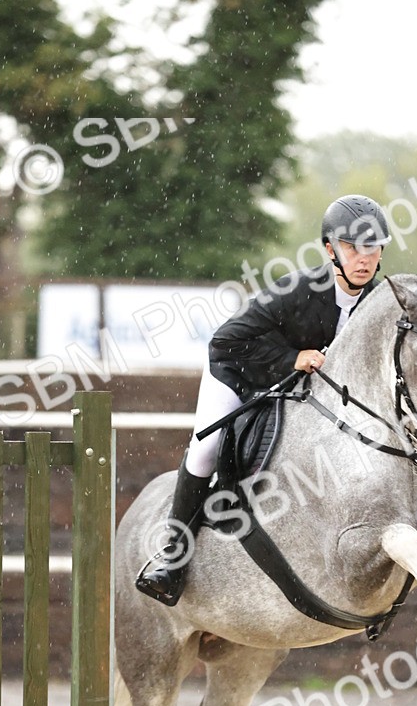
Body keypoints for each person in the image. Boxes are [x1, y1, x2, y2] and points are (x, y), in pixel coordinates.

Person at [135, 193, 392, 606]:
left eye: (373, 247)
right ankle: (172, 556)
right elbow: (225, 341)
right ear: (330, 250)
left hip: (297, 393)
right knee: (205, 450)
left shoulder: (378, 302)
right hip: (239, 373)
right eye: (352, 248)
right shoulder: (297, 291)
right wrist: (292, 358)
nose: (364, 258)